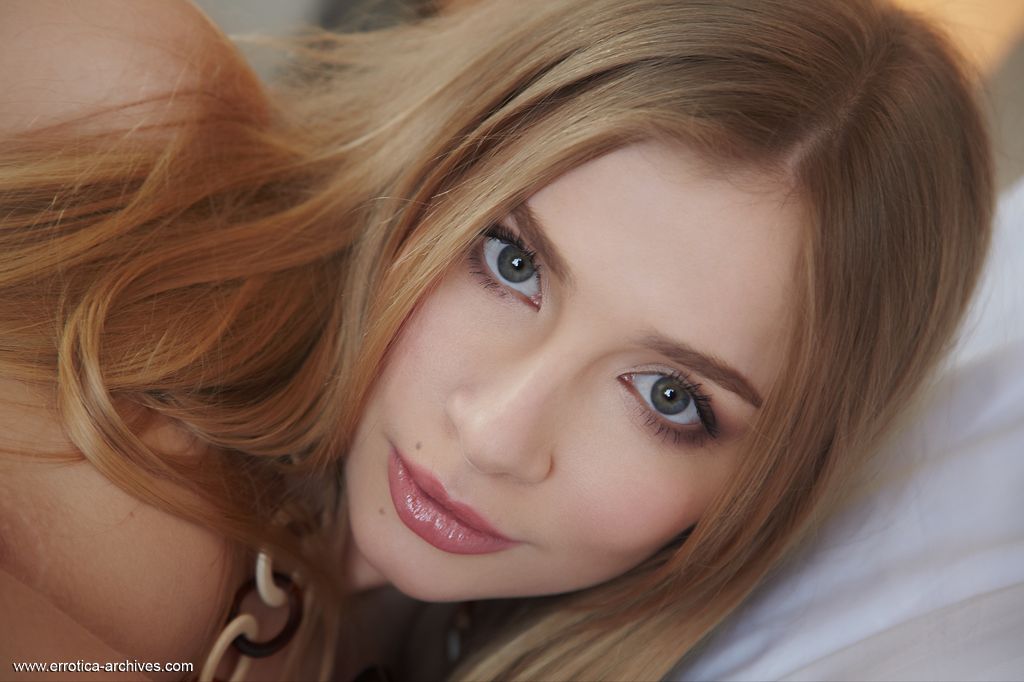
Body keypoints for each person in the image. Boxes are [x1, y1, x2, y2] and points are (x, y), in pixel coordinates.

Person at [0, 0, 993, 680]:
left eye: (669, 398)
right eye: (511, 261)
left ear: (766, 487)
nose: (495, 434)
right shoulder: (120, 111)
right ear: (441, 159)